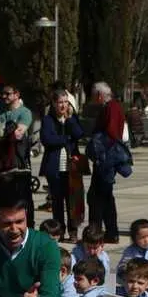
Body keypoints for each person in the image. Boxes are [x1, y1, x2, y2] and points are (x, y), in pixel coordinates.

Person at [41, 90, 86, 241]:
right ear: (54, 103)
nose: (63, 105)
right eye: (60, 102)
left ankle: (73, 232)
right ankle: (59, 231)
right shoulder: (48, 120)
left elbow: (79, 134)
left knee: (73, 201)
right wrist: (66, 138)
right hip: (55, 167)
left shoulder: (71, 118)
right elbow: (47, 139)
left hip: (71, 167)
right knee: (57, 202)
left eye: (66, 102)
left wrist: (70, 120)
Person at [0, 85, 35, 230]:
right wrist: (6, 130)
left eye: (8, 94)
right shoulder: (1, 113)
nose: (4, 97)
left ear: (16, 94)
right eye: (2, 94)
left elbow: (18, 133)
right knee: (4, 197)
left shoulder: (25, 112)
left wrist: (5, 130)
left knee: (24, 198)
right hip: (3, 164)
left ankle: (29, 226)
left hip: (20, 162)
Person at [87, 81, 126, 242]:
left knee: (98, 197)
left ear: (99, 95)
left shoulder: (111, 108)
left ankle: (98, 231)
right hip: (106, 158)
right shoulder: (112, 107)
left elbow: (111, 133)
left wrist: (99, 152)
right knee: (104, 196)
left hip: (106, 159)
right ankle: (110, 232)